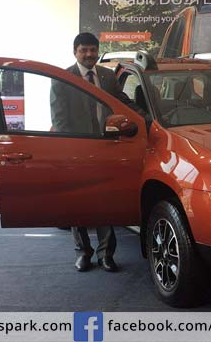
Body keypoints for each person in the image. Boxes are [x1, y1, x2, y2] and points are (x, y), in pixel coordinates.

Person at [50, 32, 141, 273]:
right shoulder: (63, 78)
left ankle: (106, 255)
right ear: (75, 52)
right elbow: (59, 119)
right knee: (78, 205)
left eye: (92, 49)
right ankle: (83, 253)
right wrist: (71, 150)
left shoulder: (107, 76)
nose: (89, 54)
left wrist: (145, 117)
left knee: (104, 203)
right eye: (84, 50)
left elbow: (122, 102)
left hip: (106, 149)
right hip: (77, 152)